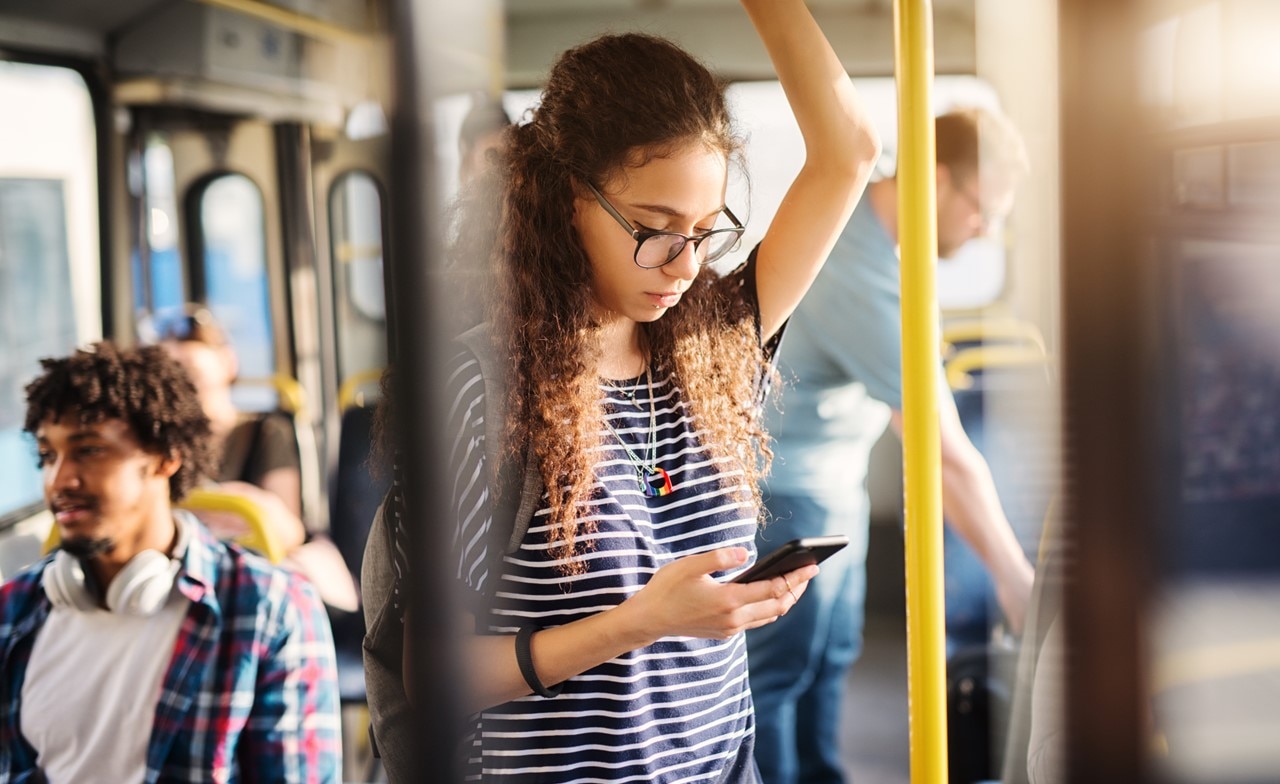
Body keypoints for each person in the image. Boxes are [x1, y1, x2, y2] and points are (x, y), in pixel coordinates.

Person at [365, 1, 881, 781]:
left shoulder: (714, 342)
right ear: (568, 200)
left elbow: (848, 151)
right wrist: (644, 622)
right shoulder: (483, 388)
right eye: (655, 227)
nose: (683, 263)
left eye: (705, 230)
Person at [744, 105, 1035, 784]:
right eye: (981, 209)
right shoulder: (859, 268)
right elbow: (943, 452)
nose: (987, 229)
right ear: (936, 180)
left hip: (831, 484)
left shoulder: (889, 241)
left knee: (829, 663)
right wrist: (1014, 578)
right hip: (785, 491)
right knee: (779, 678)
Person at [0, 341, 341, 782]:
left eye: (88, 450)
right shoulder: (14, 610)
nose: (59, 480)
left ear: (165, 457)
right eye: (49, 456)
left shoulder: (270, 609)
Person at [155, 306, 357, 611]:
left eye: (191, 372)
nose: (181, 382)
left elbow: (286, 528)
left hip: (251, 566)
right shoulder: (162, 444)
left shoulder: (263, 432)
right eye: (171, 373)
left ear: (228, 363)